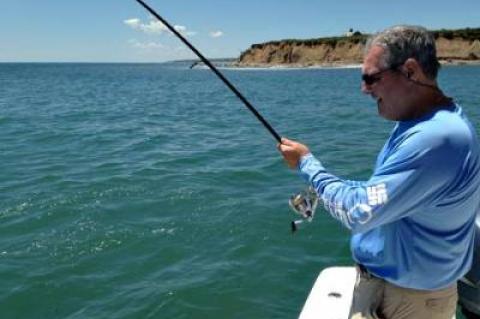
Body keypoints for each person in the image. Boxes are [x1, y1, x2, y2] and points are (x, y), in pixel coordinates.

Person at [278, 25, 480, 319]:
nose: (364, 88)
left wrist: (308, 165)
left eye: (371, 78)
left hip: (408, 301)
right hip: (395, 290)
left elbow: (360, 211)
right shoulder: (422, 124)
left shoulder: (435, 138)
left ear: (410, 71)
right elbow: (381, 192)